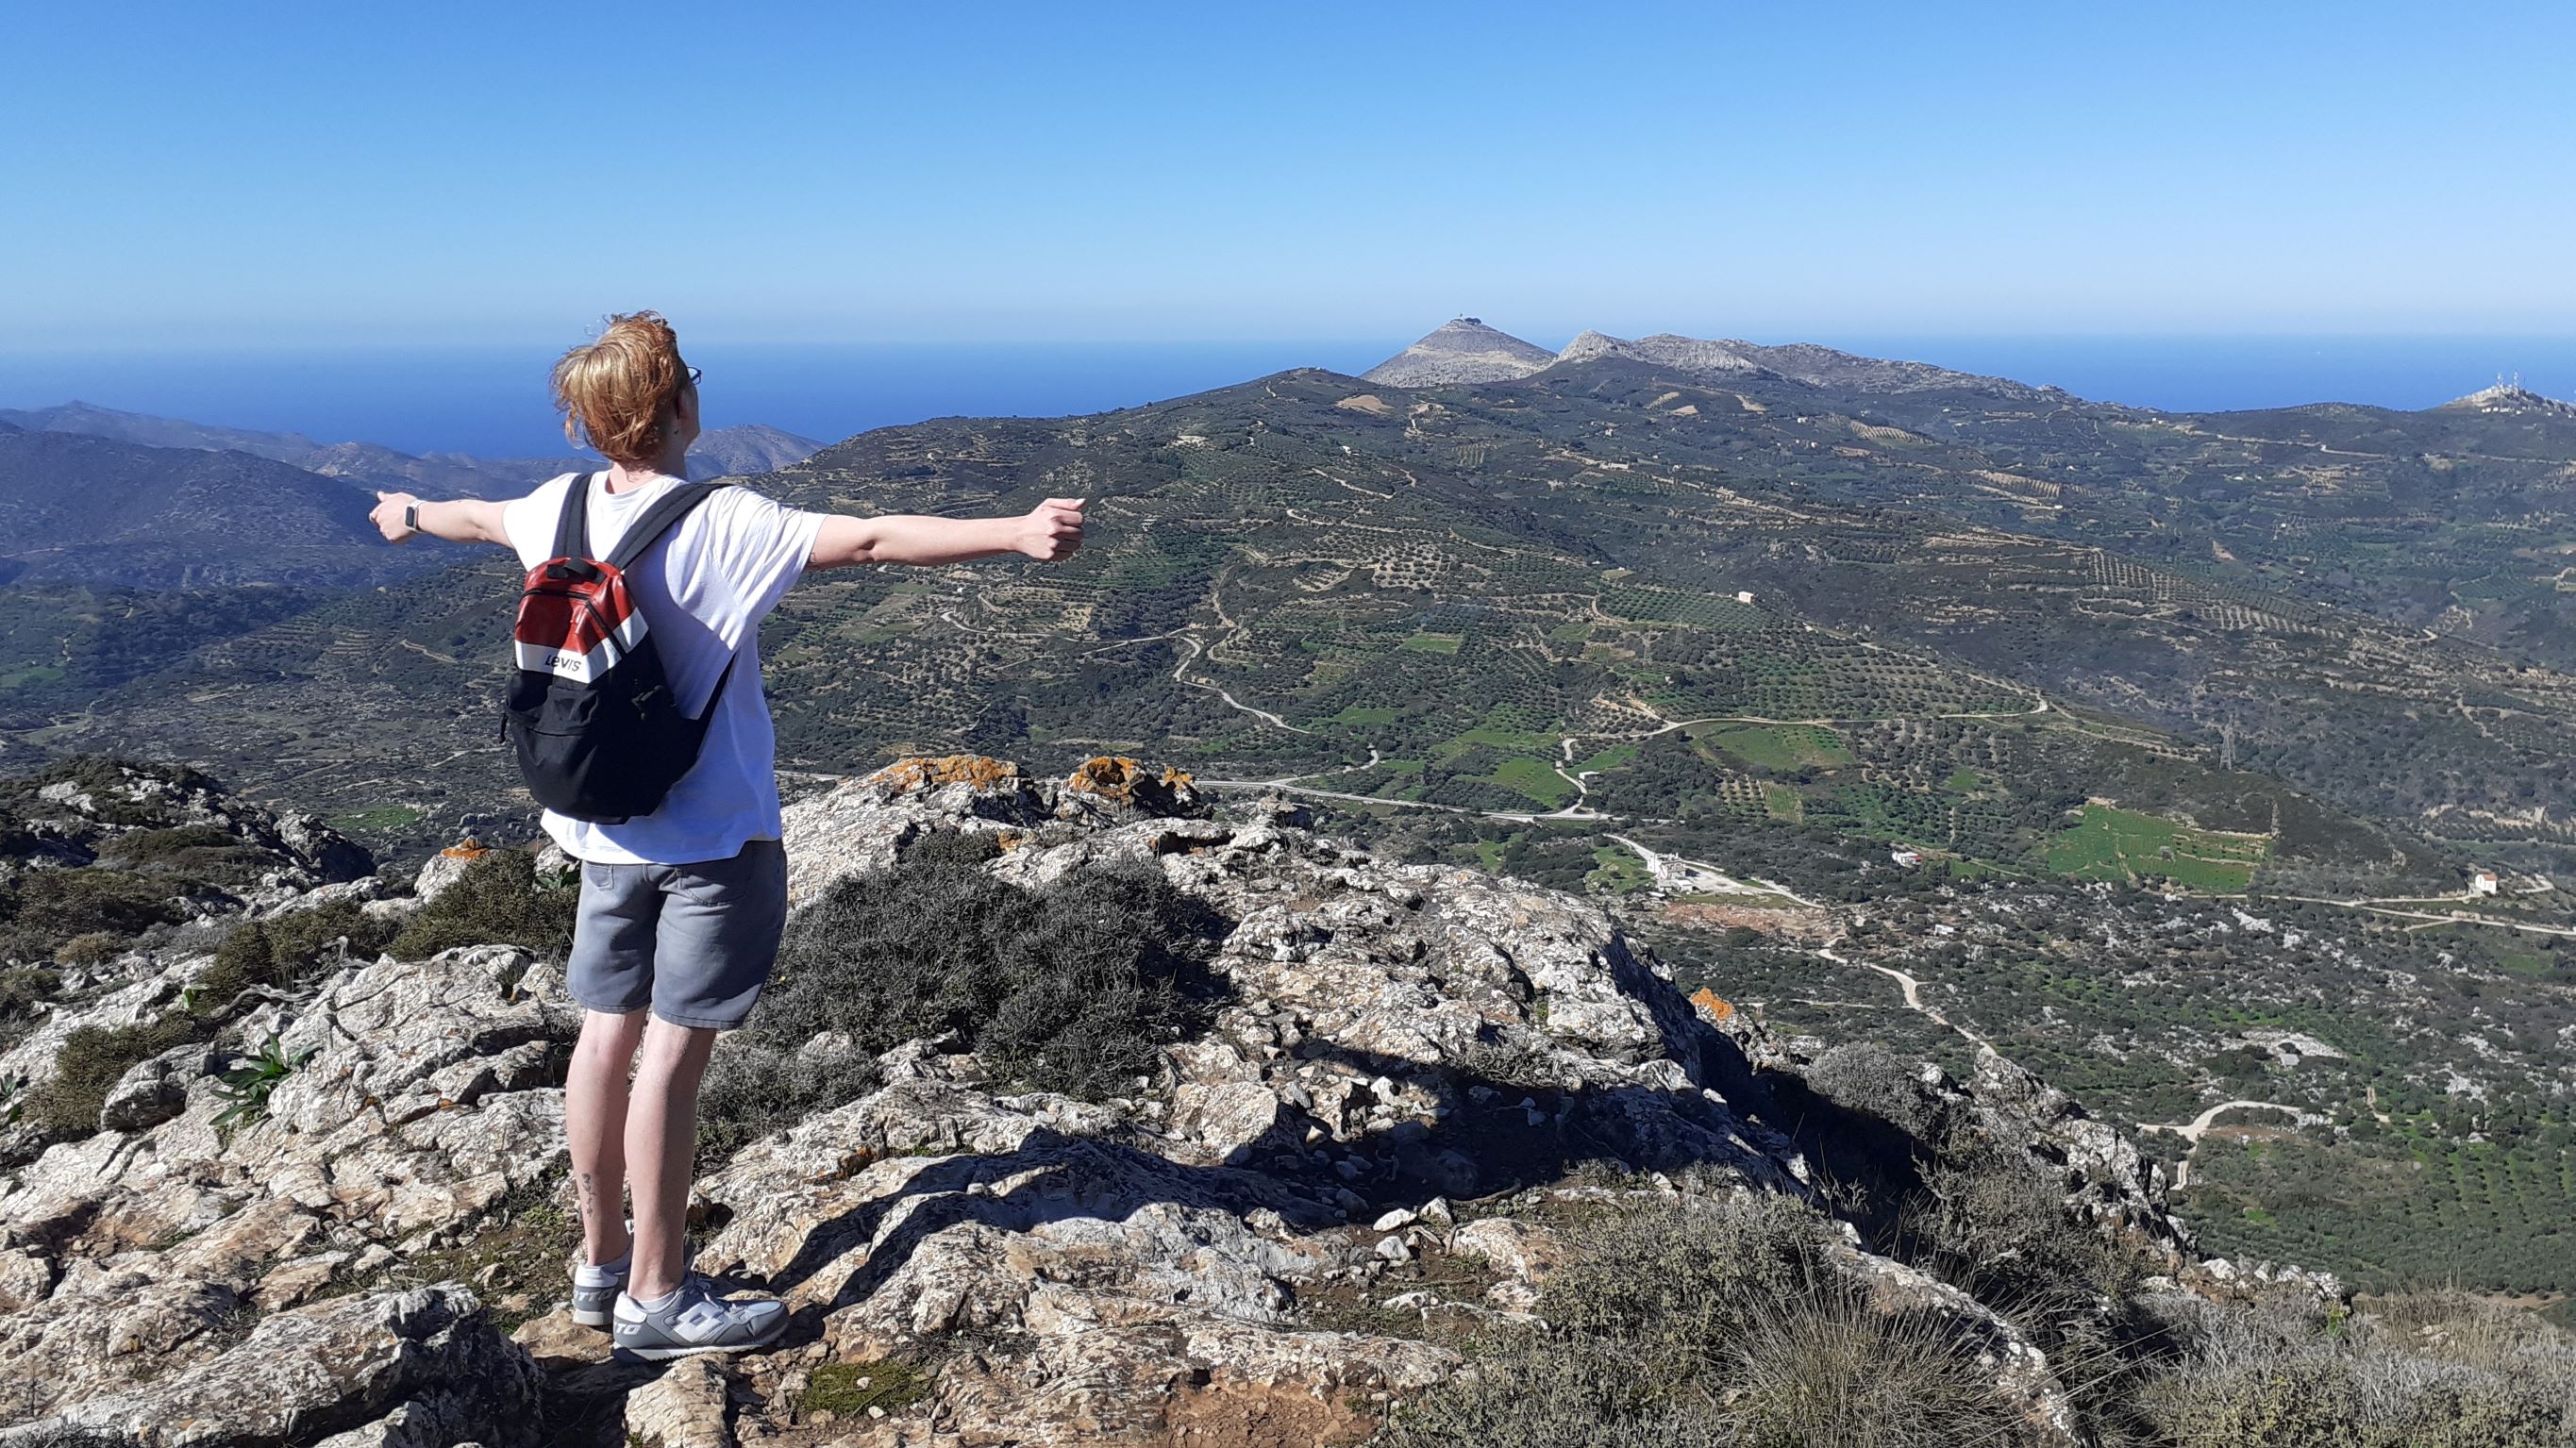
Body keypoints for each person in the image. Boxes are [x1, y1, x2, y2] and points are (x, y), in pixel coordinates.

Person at [367, 311, 1084, 1358]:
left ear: (591, 423)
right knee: (671, 1057)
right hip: (710, 837)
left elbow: (471, 518)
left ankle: (598, 1261)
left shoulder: (553, 506)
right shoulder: (723, 519)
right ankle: (659, 1296)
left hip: (599, 830)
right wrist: (1015, 531)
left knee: (603, 1035)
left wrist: (407, 510)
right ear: (677, 407)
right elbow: (877, 537)